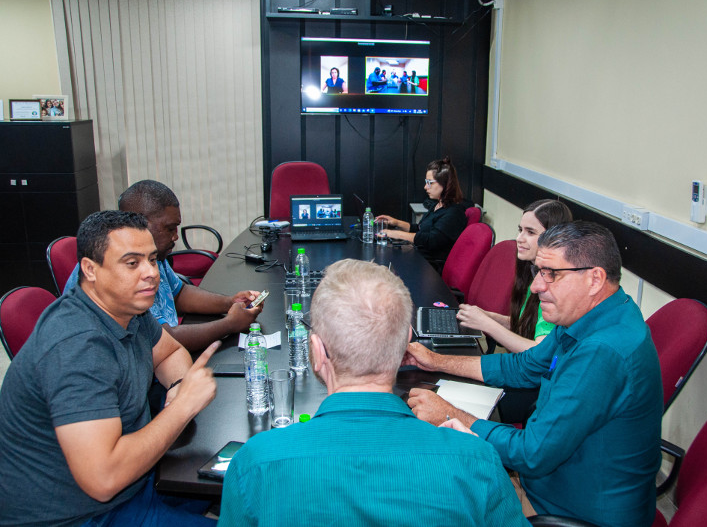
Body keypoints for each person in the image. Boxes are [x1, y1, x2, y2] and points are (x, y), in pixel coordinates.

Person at [218, 259, 528, 527]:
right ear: (406, 341)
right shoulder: (476, 460)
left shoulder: (255, 464)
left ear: (317, 350)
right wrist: (472, 453)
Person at [403, 221, 663, 527]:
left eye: (551, 274)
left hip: (568, 512)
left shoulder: (602, 351)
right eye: (538, 272)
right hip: (549, 486)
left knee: (425, 500)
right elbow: (523, 367)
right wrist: (435, 361)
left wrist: (450, 415)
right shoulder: (591, 314)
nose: (536, 286)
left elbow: (532, 452)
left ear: (594, 279)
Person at [0, 211, 219, 526]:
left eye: (152, 260)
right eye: (132, 263)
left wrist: (178, 386)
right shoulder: (79, 348)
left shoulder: (127, 308)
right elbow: (103, 479)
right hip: (82, 514)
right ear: (90, 269)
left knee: (247, 479)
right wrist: (183, 407)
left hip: (135, 482)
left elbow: (169, 353)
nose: (150, 274)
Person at [64, 180, 262, 353]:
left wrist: (230, 302)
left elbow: (179, 294)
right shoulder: (110, 274)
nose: (176, 236)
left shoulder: (152, 256)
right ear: (139, 222)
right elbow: (164, 340)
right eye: (169, 228)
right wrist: (229, 324)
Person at [456, 199, 573, 353]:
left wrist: (486, 324)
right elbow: (525, 324)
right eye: (520, 230)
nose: (519, 238)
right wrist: (486, 316)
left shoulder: (557, 285)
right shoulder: (533, 270)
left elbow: (539, 351)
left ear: (555, 238)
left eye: (530, 232)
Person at [376, 156, 467, 268]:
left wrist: (397, 234)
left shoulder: (453, 213)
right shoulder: (437, 205)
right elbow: (420, 228)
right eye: (426, 182)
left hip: (430, 267)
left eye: (430, 183)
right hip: (420, 257)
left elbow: (431, 240)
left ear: (445, 184)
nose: (425, 187)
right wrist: (396, 223)